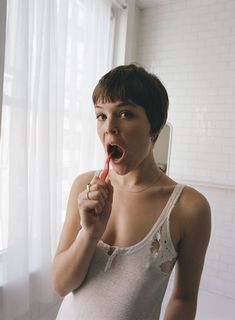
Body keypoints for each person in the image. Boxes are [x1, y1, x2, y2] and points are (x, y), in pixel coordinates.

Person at [52, 64, 211, 320]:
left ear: (154, 125)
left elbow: (184, 298)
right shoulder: (84, 187)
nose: (109, 128)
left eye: (125, 114)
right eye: (101, 115)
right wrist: (89, 234)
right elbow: (61, 285)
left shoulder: (189, 207)